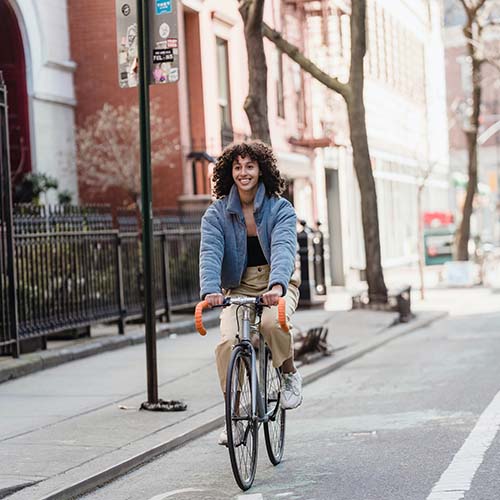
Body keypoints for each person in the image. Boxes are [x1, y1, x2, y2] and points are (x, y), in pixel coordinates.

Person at [199, 140, 303, 446]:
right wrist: (210, 291)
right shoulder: (216, 213)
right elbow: (209, 252)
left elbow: (284, 248)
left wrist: (278, 285)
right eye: (237, 166)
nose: (243, 172)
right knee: (228, 343)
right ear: (228, 172)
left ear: (261, 170)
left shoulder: (279, 208)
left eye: (250, 166)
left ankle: (288, 374)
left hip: (276, 284)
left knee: (272, 324)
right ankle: (235, 414)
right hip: (239, 287)